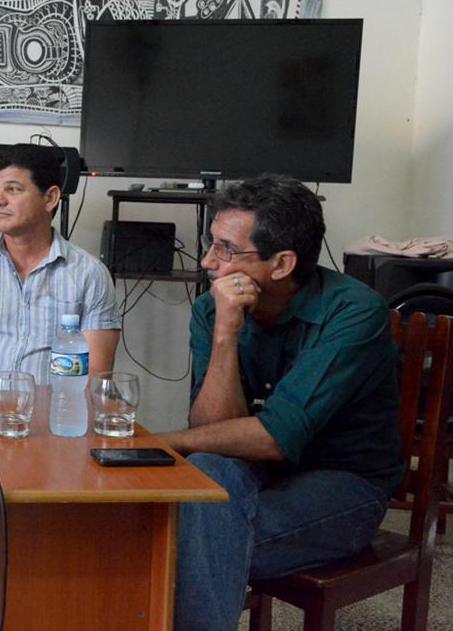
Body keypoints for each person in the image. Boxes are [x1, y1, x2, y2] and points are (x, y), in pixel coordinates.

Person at [160, 175, 403, 631]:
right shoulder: (215, 309)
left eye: (227, 250)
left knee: (191, 538)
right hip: (260, 474)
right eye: (211, 244)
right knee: (210, 474)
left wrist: (161, 441)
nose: (209, 262)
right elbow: (215, 431)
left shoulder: (355, 312)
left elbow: (273, 438)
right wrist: (227, 331)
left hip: (347, 485)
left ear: (282, 263)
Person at [0, 143, 120, 383]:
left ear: (51, 198)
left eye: (12, 189)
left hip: (58, 416)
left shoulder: (90, 275)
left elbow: (96, 373)